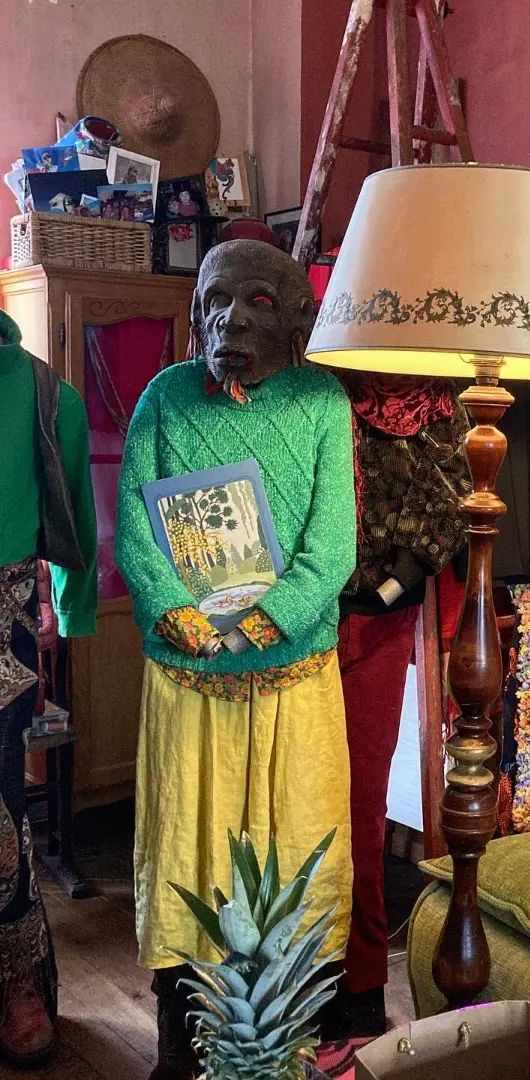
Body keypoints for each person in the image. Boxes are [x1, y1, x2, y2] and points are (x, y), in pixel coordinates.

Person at [115, 240, 356, 1080]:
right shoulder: (164, 398)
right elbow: (135, 526)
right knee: (185, 851)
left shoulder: (323, 402)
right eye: (217, 301)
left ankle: (280, 1049)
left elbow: (332, 550)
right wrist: (178, 616)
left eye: (258, 302)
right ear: (196, 315)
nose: (233, 321)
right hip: (187, 680)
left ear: (294, 321)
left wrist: (261, 625)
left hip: (292, 682)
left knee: (293, 854)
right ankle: (179, 1045)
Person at [322, 372, 469, 1038]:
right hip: (284, 617)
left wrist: (396, 578)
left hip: (373, 616)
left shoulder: (428, 391)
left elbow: (452, 492)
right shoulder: (294, 383)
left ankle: (359, 981)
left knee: (360, 805)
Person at [0, 309, 97, 1067]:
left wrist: (72, 611)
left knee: (3, 809)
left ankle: (15, 979)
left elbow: (75, 533)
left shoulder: (45, 397)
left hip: (4, 637)